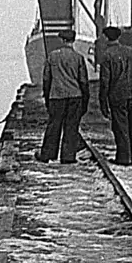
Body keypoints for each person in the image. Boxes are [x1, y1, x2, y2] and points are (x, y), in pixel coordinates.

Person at [36, 28, 89, 164]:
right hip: (75, 96)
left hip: (57, 96)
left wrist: (47, 97)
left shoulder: (52, 56)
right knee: (71, 126)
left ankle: (47, 154)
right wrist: (85, 100)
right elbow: (83, 81)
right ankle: (68, 157)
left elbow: (46, 79)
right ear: (73, 40)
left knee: (54, 126)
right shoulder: (79, 58)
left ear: (62, 40)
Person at [99, 25, 132, 165]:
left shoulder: (107, 55)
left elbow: (105, 82)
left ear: (107, 38)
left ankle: (124, 158)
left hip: (118, 96)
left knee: (121, 128)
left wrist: (103, 102)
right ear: (118, 37)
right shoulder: (131, 52)